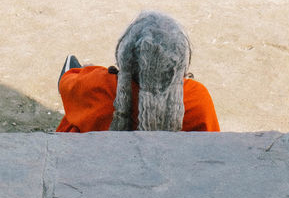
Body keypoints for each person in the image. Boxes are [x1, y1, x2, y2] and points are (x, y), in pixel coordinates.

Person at [56, 11, 220, 132]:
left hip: (97, 167)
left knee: (76, 110)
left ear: (125, 56)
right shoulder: (197, 99)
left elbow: (65, 83)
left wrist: (89, 72)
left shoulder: (98, 86)